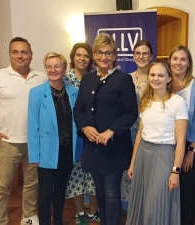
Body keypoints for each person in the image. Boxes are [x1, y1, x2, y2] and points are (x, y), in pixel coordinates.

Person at [0, 37, 46, 225]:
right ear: (9, 54)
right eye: (16, 52)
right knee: (2, 187)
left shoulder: (42, 77)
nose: (20, 56)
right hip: (7, 143)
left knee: (32, 184)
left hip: (34, 142)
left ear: (31, 55)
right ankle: (0, 222)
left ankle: (28, 217)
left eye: (24, 52)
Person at [73, 33, 138, 225]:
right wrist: (84, 128)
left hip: (114, 146)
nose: (104, 57)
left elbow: (131, 112)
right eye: (100, 52)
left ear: (114, 55)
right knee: (99, 191)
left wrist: (111, 131)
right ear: (94, 54)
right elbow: (78, 109)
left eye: (108, 53)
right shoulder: (87, 79)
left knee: (111, 192)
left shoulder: (123, 79)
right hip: (93, 147)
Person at [126, 59, 189, 225]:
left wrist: (176, 171)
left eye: (161, 75)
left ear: (169, 78)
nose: (156, 78)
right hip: (143, 155)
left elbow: (181, 140)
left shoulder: (178, 102)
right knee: (141, 203)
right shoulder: (144, 101)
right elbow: (140, 133)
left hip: (165, 156)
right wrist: (133, 163)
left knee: (155, 205)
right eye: (153, 74)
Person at [28, 52, 79, 225]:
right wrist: (34, 155)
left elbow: (78, 125)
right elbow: (32, 125)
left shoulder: (74, 92)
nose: (53, 70)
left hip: (66, 151)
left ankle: (58, 221)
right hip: (46, 153)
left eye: (57, 66)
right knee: (44, 195)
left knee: (60, 192)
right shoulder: (36, 93)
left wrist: (78, 151)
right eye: (49, 66)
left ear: (64, 68)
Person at [63, 43, 100, 225]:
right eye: (79, 55)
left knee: (93, 173)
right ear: (73, 57)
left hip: (92, 132)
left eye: (86, 55)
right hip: (71, 133)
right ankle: (80, 212)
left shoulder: (95, 78)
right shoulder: (65, 78)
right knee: (75, 175)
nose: (82, 59)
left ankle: (93, 211)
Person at [169, 45, 195, 225]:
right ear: (169, 61)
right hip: (166, 147)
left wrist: (191, 150)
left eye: (183, 59)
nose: (178, 63)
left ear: (188, 62)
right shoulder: (164, 82)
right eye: (175, 58)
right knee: (167, 189)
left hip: (189, 146)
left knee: (186, 191)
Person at [121, 39, 153, 203]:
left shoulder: (155, 79)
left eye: (145, 53)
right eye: (138, 53)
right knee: (128, 169)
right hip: (127, 131)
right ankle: (131, 210)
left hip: (147, 132)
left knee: (145, 172)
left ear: (151, 56)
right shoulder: (126, 78)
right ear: (133, 56)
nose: (141, 56)